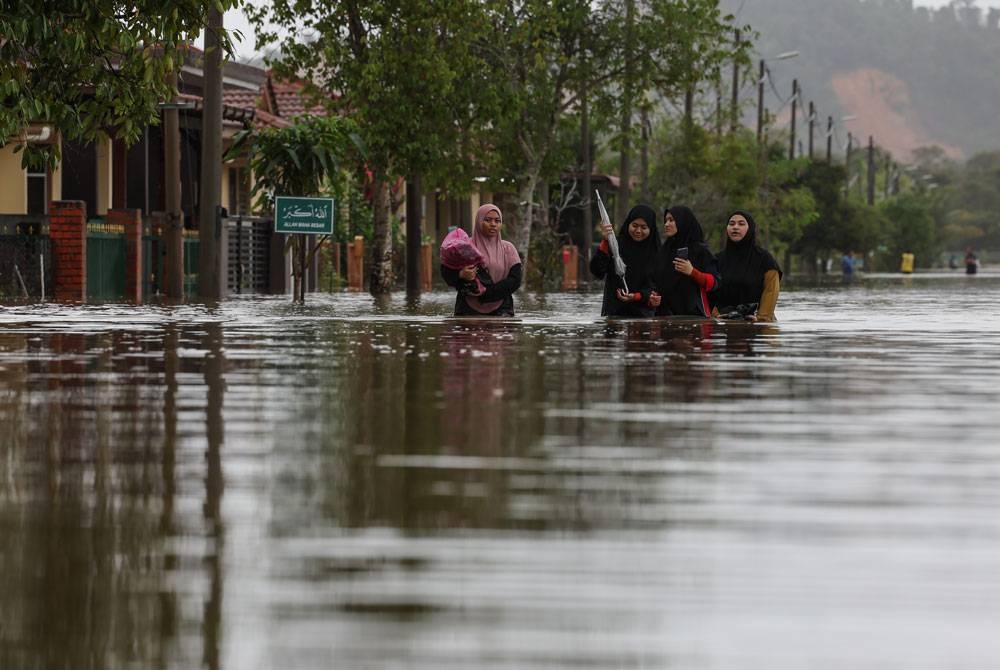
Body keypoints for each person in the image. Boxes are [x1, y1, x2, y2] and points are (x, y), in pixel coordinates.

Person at [440, 203, 522, 316]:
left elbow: (515, 280)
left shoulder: (508, 249)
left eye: (497, 221)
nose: (493, 224)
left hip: (502, 308)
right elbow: (446, 271)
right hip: (468, 308)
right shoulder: (464, 247)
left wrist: (488, 294)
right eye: (488, 220)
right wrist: (461, 274)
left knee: (502, 333)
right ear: (479, 221)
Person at [589, 203, 660, 318]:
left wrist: (637, 296)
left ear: (651, 229)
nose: (638, 231)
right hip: (614, 314)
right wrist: (605, 242)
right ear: (628, 224)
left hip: (643, 317)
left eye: (643, 227)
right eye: (635, 225)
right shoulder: (615, 245)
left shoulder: (656, 252)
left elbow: (656, 286)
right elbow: (597, 271)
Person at [711, 210, 782, 322]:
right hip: (723, 322)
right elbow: (708, 290)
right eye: (731, 223)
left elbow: (771, 291)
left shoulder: (764, 259)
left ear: (750, 229)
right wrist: (715, 315)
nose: (735, 227)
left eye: (741, 224)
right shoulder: (717, 260)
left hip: (756, 322)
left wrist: (761, 318)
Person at [650, 205, 720, 317]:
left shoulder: (700, 251)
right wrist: (653, 297)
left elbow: (715, 283)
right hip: (665, 318)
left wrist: (692, 272)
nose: (666, 224)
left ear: (683, 221)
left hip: (695, 318)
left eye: (671, 220)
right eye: (666, 221)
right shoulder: (663, 252)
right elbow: (655, 283)